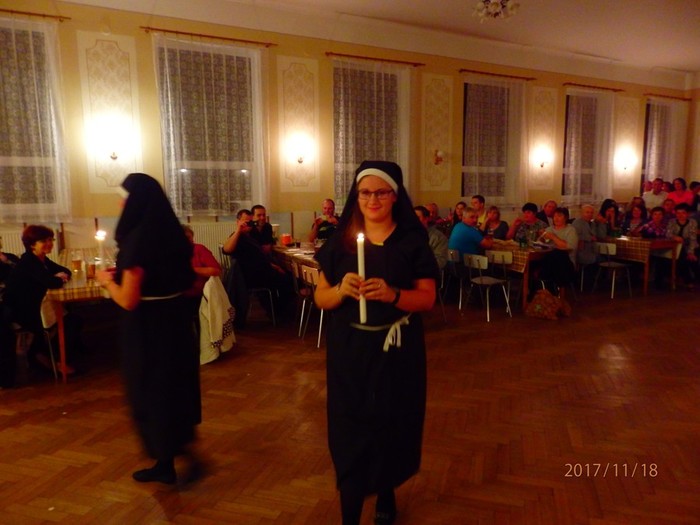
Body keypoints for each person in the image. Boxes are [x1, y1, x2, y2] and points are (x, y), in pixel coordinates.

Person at [313, 160, 437, 525]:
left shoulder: (411, 242)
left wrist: (393, 294)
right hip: (350, 351)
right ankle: (350, 513)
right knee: (350, 426)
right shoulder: (340, 242)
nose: (372, 200)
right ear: (356, 196)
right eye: (365, 192)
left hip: (397, 351)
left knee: (390, 423)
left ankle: (386, 491)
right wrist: (340, 290)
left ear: (395, 195)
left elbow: (427, 298)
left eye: (381, 192)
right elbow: (320, 297)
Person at [95, 173, 202, 485]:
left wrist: (106, 282)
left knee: (150, 392)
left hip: (147, 329)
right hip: (176, 324)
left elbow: (128, 300)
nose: (120, 204)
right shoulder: (173, 235)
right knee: (172, 390)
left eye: (123, 198)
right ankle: (170, 459)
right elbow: (190, 284)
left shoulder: (138, 240)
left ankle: (172, 460)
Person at [2, 225, 77, 375]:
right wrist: (58, 278)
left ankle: (63, 358)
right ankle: (51, 362)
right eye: (44, 241)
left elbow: (65, 271)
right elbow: (52, 282)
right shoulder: (28, 261)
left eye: (50, 239)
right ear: (32, 245)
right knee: (67, 322)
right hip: (20, 311)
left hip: (33, 305)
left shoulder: (41, 259)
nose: (49, 243)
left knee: (72, 319)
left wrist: (59, 277)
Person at [222, 208, 290, 323]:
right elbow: (226, 250)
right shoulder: (238, 236)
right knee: (288, 280)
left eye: (250, 222)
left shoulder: (250, 237)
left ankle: (278, 311)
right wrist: (238, 230)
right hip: (251, 277)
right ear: (238, 222)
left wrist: (273, 266)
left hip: (260, 271)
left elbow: (259, 258)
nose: (248, 225)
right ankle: (281, 314)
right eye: (245, 222)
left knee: (287, 275)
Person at [182, 224, 222, 321]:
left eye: (188, 237)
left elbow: (216, 271)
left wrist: (190, 269)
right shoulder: (170, 252)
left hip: (198, 294)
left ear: (192, 238)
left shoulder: (199, 249)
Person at [539, 207, 578, 300]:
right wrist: (541, 238)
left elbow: (569, 246)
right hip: (550, 263)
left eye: (559, 216)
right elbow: (540, 244)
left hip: (566, 263)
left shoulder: (571, 230)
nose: (556, 218)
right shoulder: (549, 229)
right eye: (554, 216)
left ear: (566, 217)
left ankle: (551, 293)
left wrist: (553, 237)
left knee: (558, 255)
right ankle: (545, 293)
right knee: (547, 258)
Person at [666, 203, 698, 290]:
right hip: (675, 246)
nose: (680, 215)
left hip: (690, 245)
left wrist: (691, 252)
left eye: (683, 213)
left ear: (688, 213)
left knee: (692, 258)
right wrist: (674, 237)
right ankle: (688, 280)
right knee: (681, 257)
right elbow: (668, 233)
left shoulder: (692, 222)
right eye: (678, 213)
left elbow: (693, 238)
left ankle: (694, 280)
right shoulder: (672, 222)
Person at [414, 205, 448, 270]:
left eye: (417, 218)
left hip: (425, 273)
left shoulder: (438, 237)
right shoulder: (408, 235)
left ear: (426, 219)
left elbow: (441, 261)